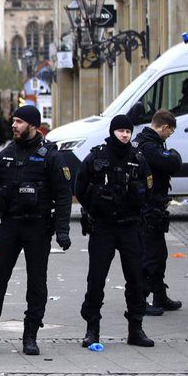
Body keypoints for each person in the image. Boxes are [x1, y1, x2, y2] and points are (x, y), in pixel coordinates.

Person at [0, 104, 71, 356]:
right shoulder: (7, 154)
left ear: (33, 125)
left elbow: (63, 195)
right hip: (9, 224)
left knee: (36, 282)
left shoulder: (51, 155)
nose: (14, 125)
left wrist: (62, 230)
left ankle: (30, 335)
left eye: (19, 122)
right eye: (14, 121)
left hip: (38, 226)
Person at [75, 114, 156, 348]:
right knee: (96, 279)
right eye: (120, 131)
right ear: (112, 132)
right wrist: (94, 209)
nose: (124, 135)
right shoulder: (97, 156)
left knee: (136, 279)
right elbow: (80, 187)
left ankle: (136, 328)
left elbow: (148, 190)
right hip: (103, 227)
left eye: (128, 132)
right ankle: (92, 329)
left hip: (130, 226)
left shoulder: (138, 158)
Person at [135, 110, 183, 315]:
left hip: (152, 208)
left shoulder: (144, 141)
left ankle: (159, 295)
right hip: (148, 208)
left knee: (159, 254)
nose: (169, 136)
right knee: (150, 256)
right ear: (164, 128)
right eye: (170, 133)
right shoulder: (148, 146)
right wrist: (173, 154)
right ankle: (141, 299)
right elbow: (173, 163)